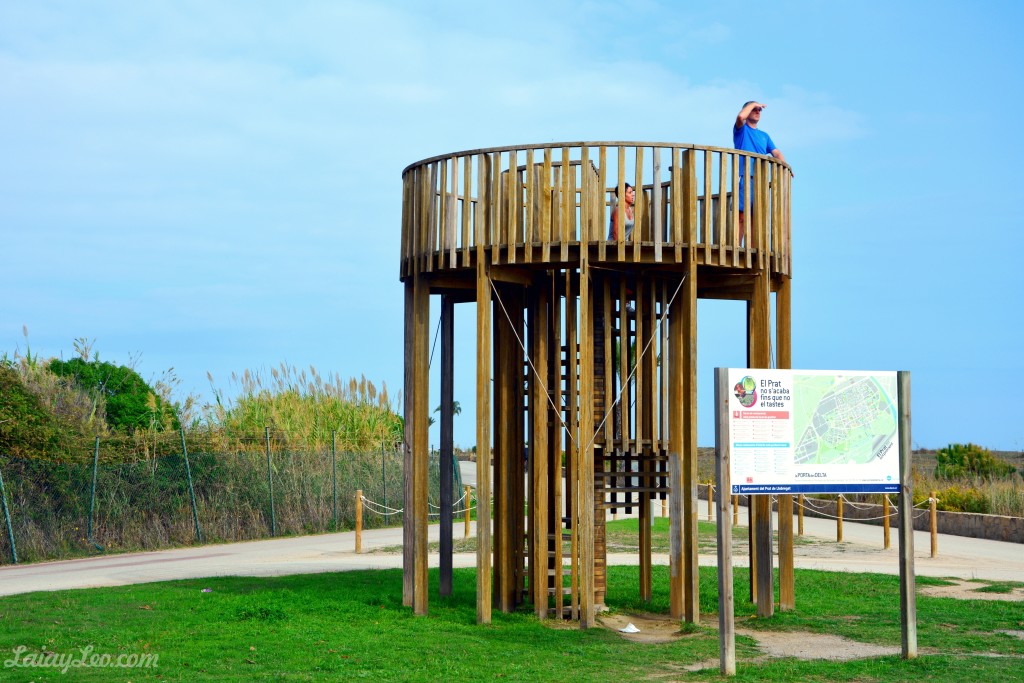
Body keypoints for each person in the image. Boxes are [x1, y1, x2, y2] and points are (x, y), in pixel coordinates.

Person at [733, 101, 787, 241]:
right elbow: (740, 117)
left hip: (761, 180)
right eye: (754, 109)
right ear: (747, 110)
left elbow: (776, 153)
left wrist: (786, 167)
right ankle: (737, 248)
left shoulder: (765, 135)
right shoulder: (742, 131)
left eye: (759, 110)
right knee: (741, 216)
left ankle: (751, 250)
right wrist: (753, 103)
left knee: (756, 217)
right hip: (745, 177)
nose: (757, 111)